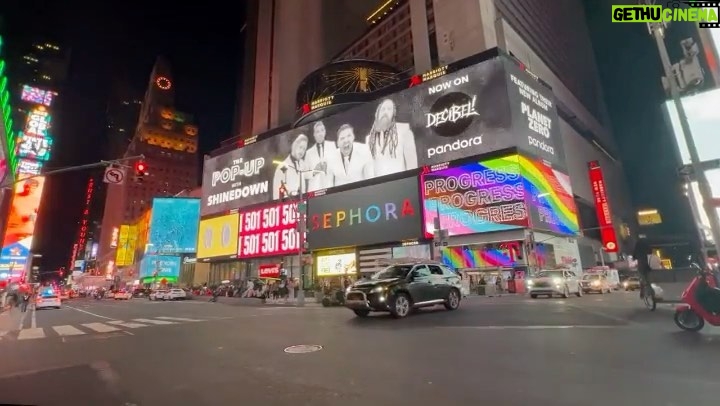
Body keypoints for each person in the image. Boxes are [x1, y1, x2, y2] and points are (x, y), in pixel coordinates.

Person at [366, 98, 418, 176]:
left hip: (401, 183)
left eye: (389, 109)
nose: (385, 112)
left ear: (393, 114)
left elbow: (412, 163)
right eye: (383, 109)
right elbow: (369, 169)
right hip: (379, 186)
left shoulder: (404, 131)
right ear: (378, 113)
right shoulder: (369, 139)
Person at [272, 134, 310, 200]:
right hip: (287, 207)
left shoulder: (303, 164)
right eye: (300, 147)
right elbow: (276, 195)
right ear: (294, 146)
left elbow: (311, 175)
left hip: (301, 206)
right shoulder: (282, 167)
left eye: (304, 149)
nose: (302, 151)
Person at [305, 121, 336, 192]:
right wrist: (314, 171)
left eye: (322, 130)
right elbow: (305, 174)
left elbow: (337, 166)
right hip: (314, 190)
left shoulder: (332, 146)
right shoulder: (308, 153)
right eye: (317, 131)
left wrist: (328, 167)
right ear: (314, 134)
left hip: (329, 188)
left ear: (325, 132)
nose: (320, 133)